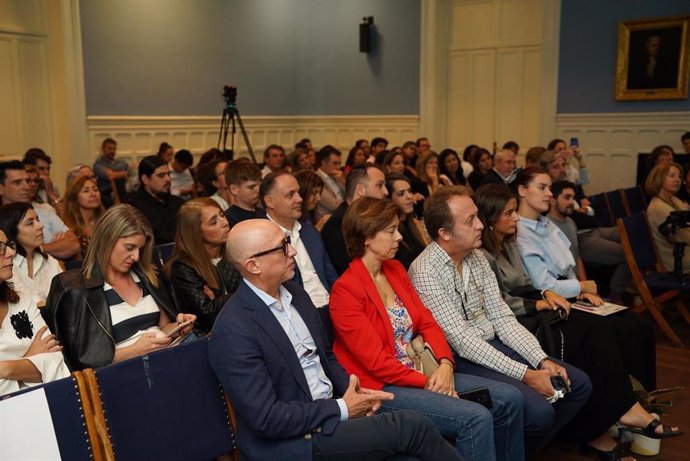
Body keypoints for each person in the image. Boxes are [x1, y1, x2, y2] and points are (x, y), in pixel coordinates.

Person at [208, 219, 461, 461]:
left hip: (332, 415)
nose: (294, 251)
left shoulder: (296, 295)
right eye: (283, 246)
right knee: (411, 425)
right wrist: (342, 408)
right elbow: (267, 418)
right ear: (253, 265)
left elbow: (325, 357)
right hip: (295, 441)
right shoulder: (234, 329)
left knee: (410, 456)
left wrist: (357, 394)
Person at [476, 184, 678, 458]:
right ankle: (617, 415)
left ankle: (629, 407)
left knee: (614, 328)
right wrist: (539, 301)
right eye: (509, 213)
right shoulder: (484, 256)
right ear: (489, 221)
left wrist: (546, 294)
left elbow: (528, 283)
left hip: (535, 306)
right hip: (521, 319)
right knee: (593, 333)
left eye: (514, 212)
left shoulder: (507, 243)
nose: (515, 219)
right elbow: (499, 301)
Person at [330, 197, 525, 461]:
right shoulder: (346, 291)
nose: (399, 236)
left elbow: (427, 322)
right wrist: (430, 382)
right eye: (391, 231)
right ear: (365, 237)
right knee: (475, 418)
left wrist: (445, 363)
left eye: (398, 228)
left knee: (511, 398)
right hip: (385, 386)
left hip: (424, 370)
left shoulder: (395, 269)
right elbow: (376, 362)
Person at [408, 186, 591, 457]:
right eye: (470, 221)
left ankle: (517, 450)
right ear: (445, 234)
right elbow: (462, 340)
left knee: (578, 385)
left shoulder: (477, 257)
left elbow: (503, 318)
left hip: (493, 344)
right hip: (462, 359)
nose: (481, 225)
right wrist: (528, 375)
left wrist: (541, 360)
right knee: (539, 412)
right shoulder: (424, 271)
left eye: (477, 217)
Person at [44, 204, 195, 371]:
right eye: (130, 248)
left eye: (140, 249)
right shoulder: (75, 289)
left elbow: (164, 327)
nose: (136, 257)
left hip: (167, 362)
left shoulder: (146, 275)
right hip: (123, 376)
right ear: (107, 239)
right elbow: (80, 362)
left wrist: (179, 326)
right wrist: (135, 350)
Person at [260, 172, 338, 339]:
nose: (300, 199)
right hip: (299, 318)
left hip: (332, 309)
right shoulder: (262, 240)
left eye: (298, 192)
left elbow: (330, 274)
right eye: (290, 195)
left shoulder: (309, 231)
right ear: (269, 201)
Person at [513, 168, 601, 303]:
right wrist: (580, 286)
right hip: (549, 302)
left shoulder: (547, 224)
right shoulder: (520, 232)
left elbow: (568, 268)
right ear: (522, 191)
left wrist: (579, 292)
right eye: (542, 188)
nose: (549, 194)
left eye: (549, 188)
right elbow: (542, 285)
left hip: (568, 294)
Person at [0, 230, 69, 396]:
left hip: (46, 401)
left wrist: (5, 368)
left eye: (8, 245)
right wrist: (30, 359)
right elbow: (46, 366)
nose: (11, 253)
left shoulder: (22, 302)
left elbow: (55, 360)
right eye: (0, 248)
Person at [168, 198, 240, 335]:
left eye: (222, 215)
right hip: (212, 335)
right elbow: (208, 312)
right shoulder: (183, 267)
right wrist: (245, 292)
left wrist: (218, 299)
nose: (225, 223)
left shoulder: (236, 250)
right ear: (196, 232)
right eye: (214, 222)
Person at [0, 161, 80, 260]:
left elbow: (74, 244)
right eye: (17, 183)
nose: (26, 187)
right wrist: (55, 246)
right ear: (1, 188)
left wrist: (37, 249)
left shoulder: (45, 212)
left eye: (27, 181)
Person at [321, 165, 389, 275]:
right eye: (379, 185)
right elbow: (352, 272)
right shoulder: (337, 226)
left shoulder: (370, 218)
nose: (386, 191)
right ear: (360, 190)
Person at [0, 203, 62, 304]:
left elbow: (66, 292)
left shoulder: (48, 259)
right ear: (12, 230)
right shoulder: (7, 265)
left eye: (37, 219)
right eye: (30, 223)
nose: (41, 226)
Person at [128, 155, 185, 244]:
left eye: (168, 174)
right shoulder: (133, 208)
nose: (168, 179)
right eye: (161, 176)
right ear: (145, 179)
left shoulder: (178, 203)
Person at [645, 162, 690, 273]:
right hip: (676, 258)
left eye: (679, 176)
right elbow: (683, 237)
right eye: (672, 176)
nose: (678, 180)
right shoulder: (658, 208)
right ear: (659, 179)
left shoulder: (673, 199)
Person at [385, 173, 429, 269]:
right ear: (389, 199)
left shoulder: (414, 223)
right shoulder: (387, 231)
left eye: (410, 191)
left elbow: (428, 255)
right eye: (401, 194)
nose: (409, 196)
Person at [62, 175, 105, 259]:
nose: (93, 194)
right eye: (86, 191)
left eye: (95, 189)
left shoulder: (106, 224)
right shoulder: (68, 230)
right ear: (75, 197)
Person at [224, 159, 264, 227]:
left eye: (259, 184)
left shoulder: (263, 212)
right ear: (234, 189)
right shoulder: (229, 220)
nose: (258, 190)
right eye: (251, 187)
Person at [93, 138, 128, 208]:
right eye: (109, 148)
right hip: (106, 192)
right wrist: (122, 173)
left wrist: (114, 174)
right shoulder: (98, 164)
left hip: (122, 190)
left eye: (114, 149)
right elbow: (109, 176)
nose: (112, 151)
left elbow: (129, 173)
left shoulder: (121, 162)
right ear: (103, 149)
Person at [314, 145, 345, 220]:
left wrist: (343, 181)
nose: (338, 167)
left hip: (341, 215)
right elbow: (333, 205)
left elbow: (349, 194)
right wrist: (351, 203)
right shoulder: (316, 178)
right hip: (328, 219)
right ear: (324, 163)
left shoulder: (337, 176)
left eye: (339, 163)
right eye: (335, 163)